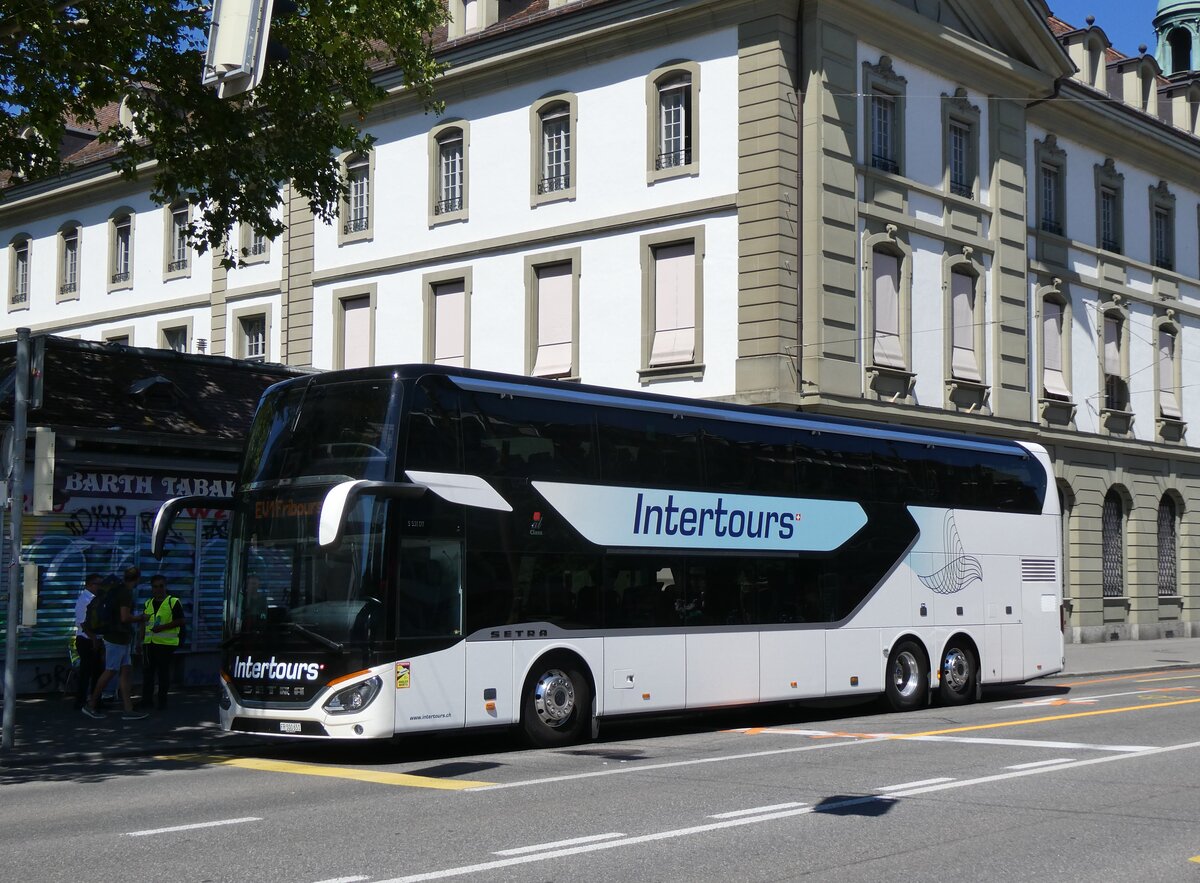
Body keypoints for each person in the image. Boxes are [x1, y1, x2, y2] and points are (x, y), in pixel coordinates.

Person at [82, 566, 148, 721]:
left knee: (126, 672)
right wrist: (140, 618)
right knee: (111, 670)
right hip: (116, 639)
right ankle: (91, 704)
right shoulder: (125, 593)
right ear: (137, 578)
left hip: (122, 639)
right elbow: (124, 617)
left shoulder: (119, 589)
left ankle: (128, 709)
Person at [139, 574, 184, 710]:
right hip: (149, 643)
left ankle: (162, 701)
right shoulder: (148, 603)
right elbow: (143, 622)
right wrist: (139, 641)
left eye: (161, 586)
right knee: (148, 673)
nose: (158, 589)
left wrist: (162, 628)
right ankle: (147, 701)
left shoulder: (173, 601)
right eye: (155, 587)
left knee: (163, 674)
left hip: (165, 644)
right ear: (151, 588)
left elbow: (180, 621)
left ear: (165, 586)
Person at [73, 573, 104, 710]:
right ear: (89, 585)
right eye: (97, 584)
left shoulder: (96, 599)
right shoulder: (84, 599)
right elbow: (82, 623)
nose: (99, 587)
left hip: (95, 639)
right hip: (86, 640)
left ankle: (95, 699)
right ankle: (81, 700)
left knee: (98, 671)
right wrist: (93, 639)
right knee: (86, 672)